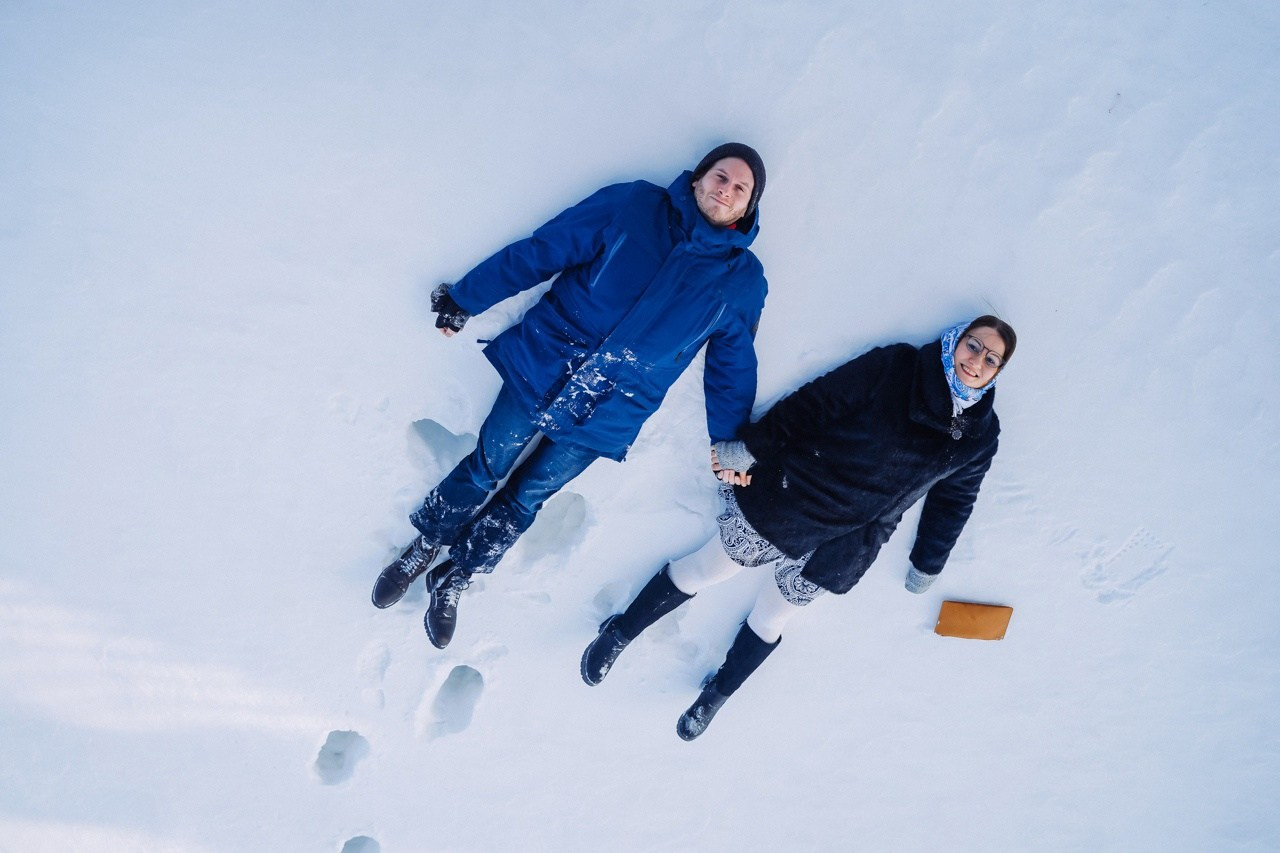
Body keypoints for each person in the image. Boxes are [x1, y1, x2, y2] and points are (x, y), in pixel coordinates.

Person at [371, 143, 769, 651]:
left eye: (740, 188)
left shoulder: (741, 280)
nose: (725, 190)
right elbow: (547, 248)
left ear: (747, 208)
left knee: (530, 494)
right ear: (697, 179)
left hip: (614, 405)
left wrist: (731, 441)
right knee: (488, 464)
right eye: (720, 175)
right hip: (546, 362)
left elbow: (732, 368)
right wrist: (468, 296)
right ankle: (425, 544)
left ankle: (458, 575)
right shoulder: (636, 206)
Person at [581, 316, 1017, 739]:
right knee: (710, 569)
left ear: (997, 372)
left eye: (991, 358)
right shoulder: (899, 367)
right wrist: (752, 448)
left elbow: (955, 500)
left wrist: (928, 561)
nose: (976, 360)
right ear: (956, 340)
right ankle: (621, 632)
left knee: (774, 616)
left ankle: (717, 694)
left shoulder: (981, 434)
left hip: (854, 539)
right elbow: (820, 401)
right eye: (973, 345)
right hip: (799, 494)